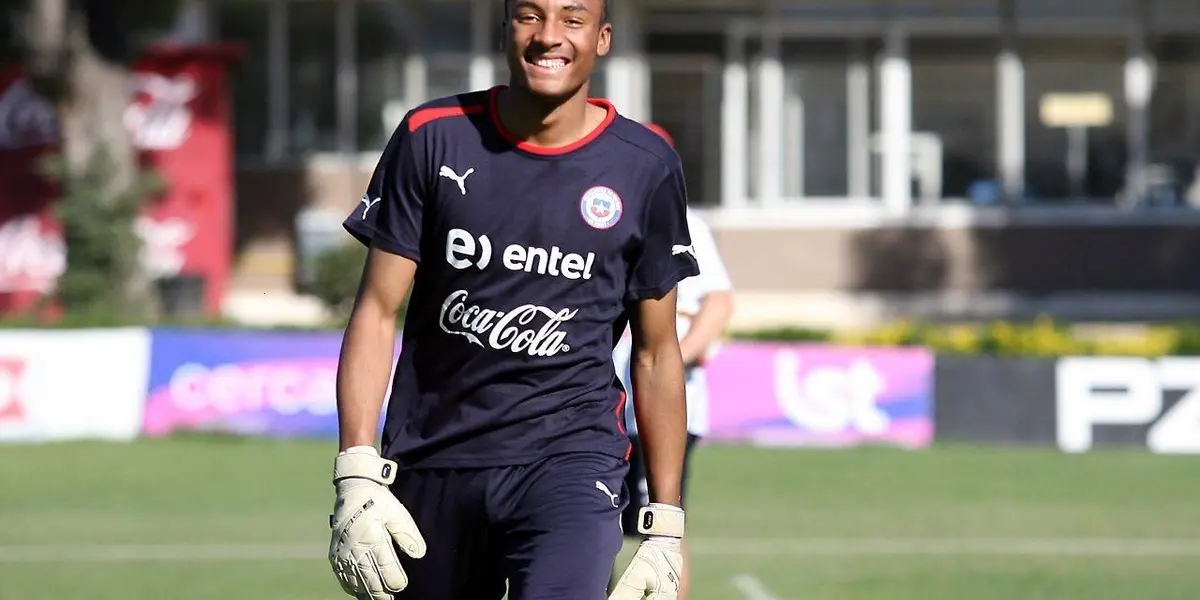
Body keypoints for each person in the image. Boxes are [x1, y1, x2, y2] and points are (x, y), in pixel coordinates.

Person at [326, 1, 698, 599]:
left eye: (572, 20)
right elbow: (375, 310)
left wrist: (665, 527)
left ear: (602, 39)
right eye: (531, 16)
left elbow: (657, 351)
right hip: (432, 459)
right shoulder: (432, 137)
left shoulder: (645, 168)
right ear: (505, 30)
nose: (549, 37)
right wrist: (357, 470)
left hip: (572, 463)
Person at [611, 123, 735, 600]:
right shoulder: (599, 210)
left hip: (659, 413)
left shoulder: (687, 223)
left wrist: (676, 364)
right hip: (597, 406)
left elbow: (718, 301)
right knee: (588, 525)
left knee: (660, 528)